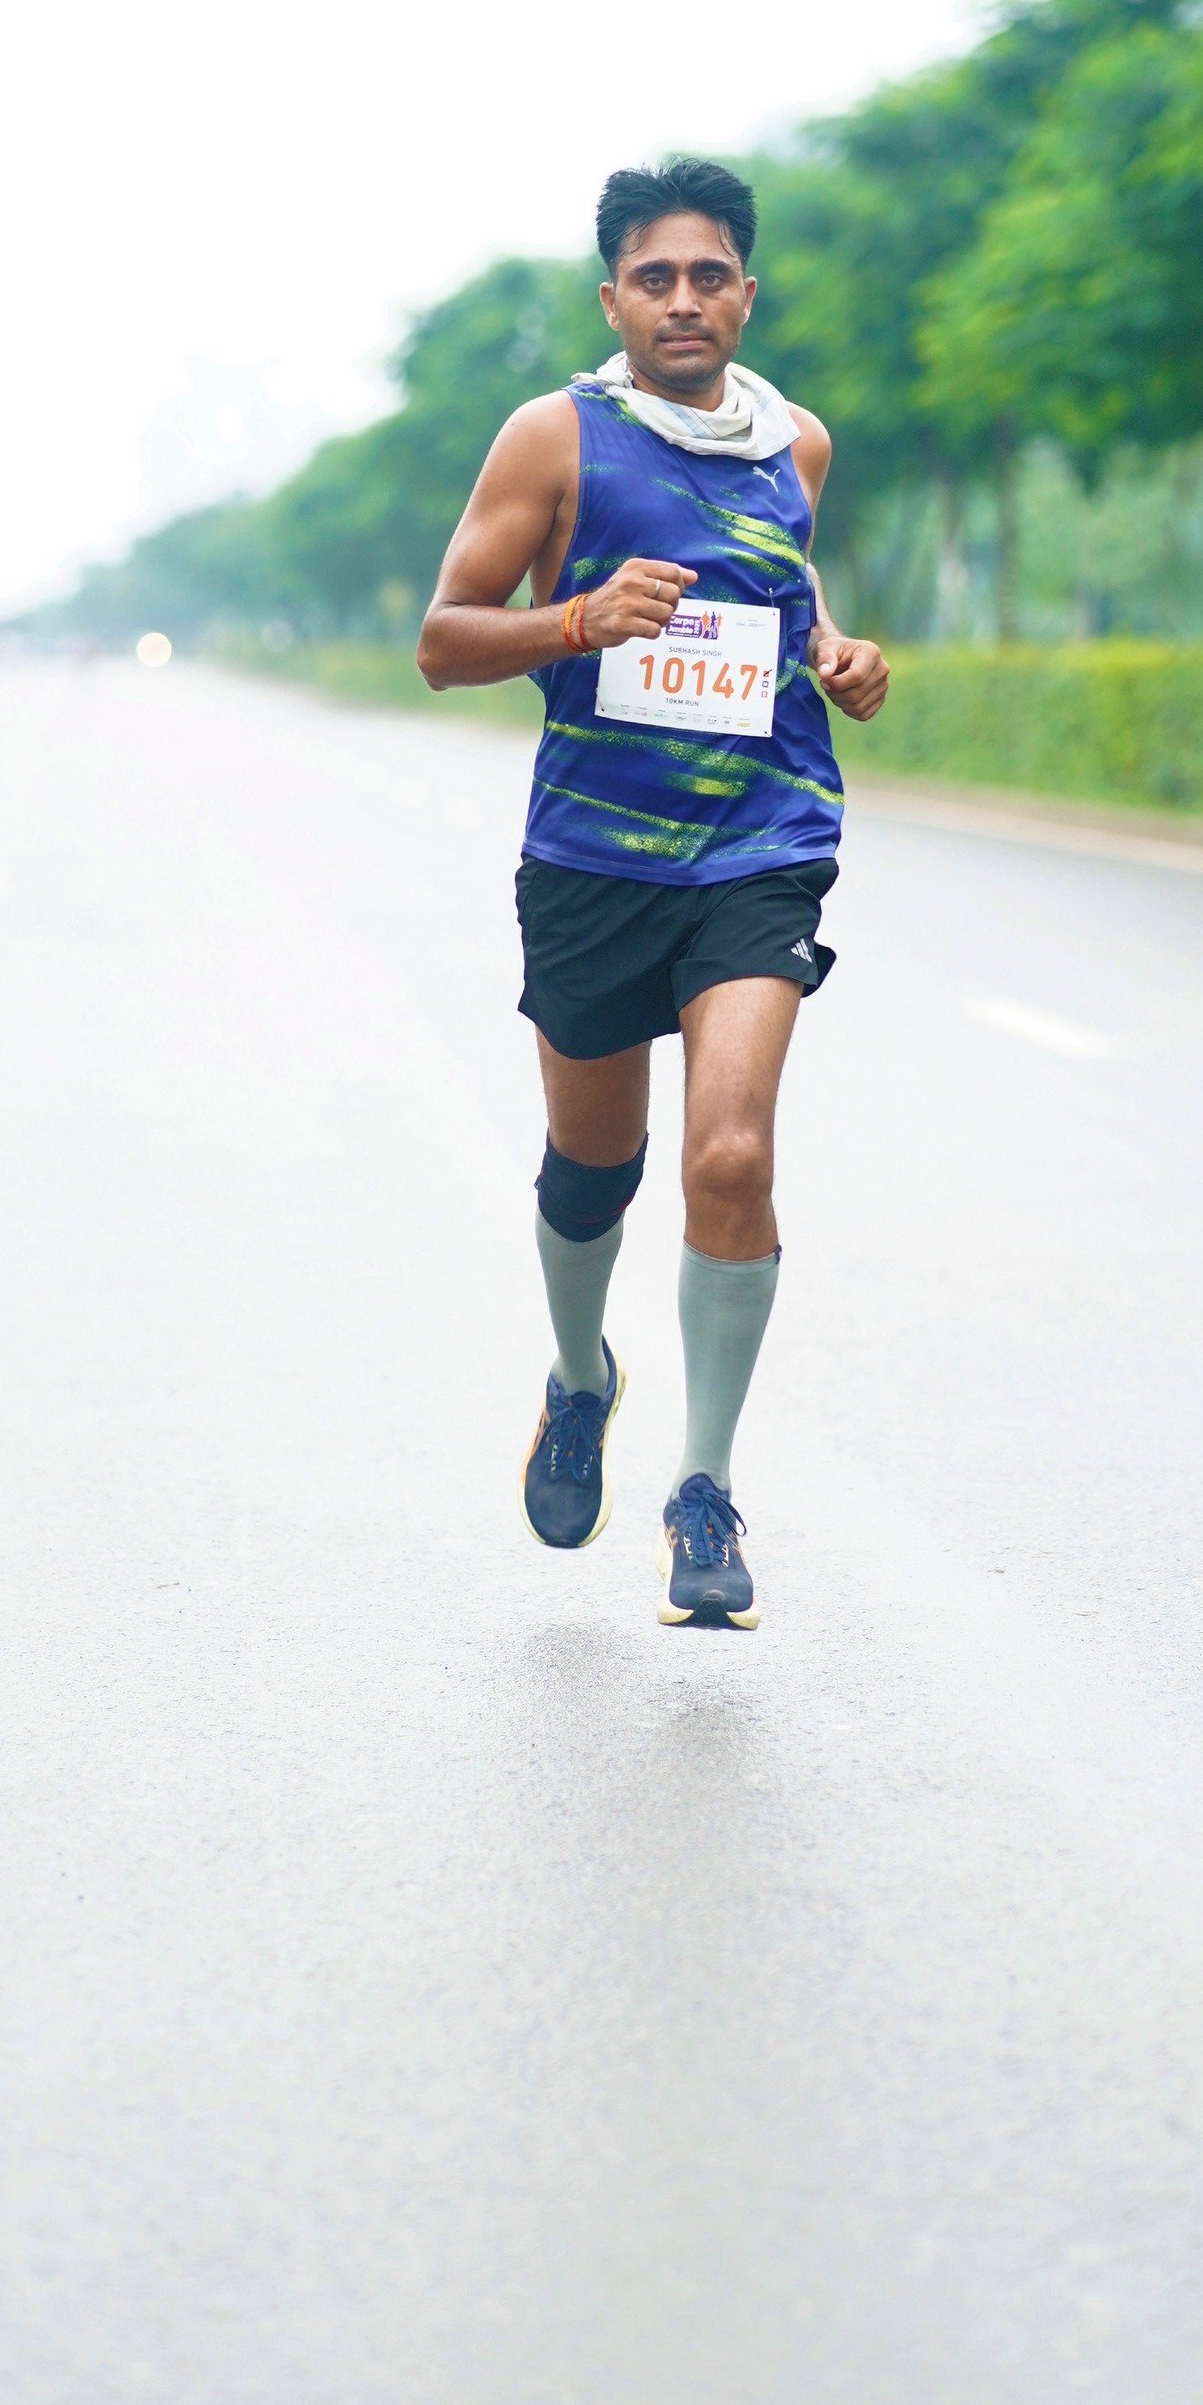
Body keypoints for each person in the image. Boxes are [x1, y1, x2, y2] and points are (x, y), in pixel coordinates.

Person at [418, 157, 889, 1630]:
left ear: (746, 293)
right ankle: (579, 1379)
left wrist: (837, 653)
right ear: (612, 300)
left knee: (728, 1157)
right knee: (593, 1165)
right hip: (592, 858)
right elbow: (442, 639)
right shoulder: (552, 436)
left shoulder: (795, 444)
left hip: (761, 839)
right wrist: (576, 618)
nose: (683, 299)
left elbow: (783, 593)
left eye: (708, 275)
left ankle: (703, 1489)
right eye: (653, 278)